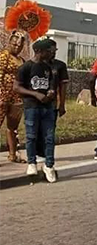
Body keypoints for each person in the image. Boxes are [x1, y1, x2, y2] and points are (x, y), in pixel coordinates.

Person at [13, 39, 58, 182]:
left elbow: (51, 85)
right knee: (31, 136)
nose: (51, 53)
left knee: (49, 138)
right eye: (48, 51)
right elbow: (17, 87)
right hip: (32, 106)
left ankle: (49, 165)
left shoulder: (48, 68)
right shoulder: (26, 67)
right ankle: (32, 163)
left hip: (47, 107)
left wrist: (51, 92)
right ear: (39, 51)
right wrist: (35, 94)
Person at [0, 31, 26, 163]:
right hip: (2, 97)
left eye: (20, 45)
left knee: (12, 127)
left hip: (17, 99)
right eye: (15, 43)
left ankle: (12, 155)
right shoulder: (4, 56)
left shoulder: (21, 60)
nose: (17, 46)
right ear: (10, 42)